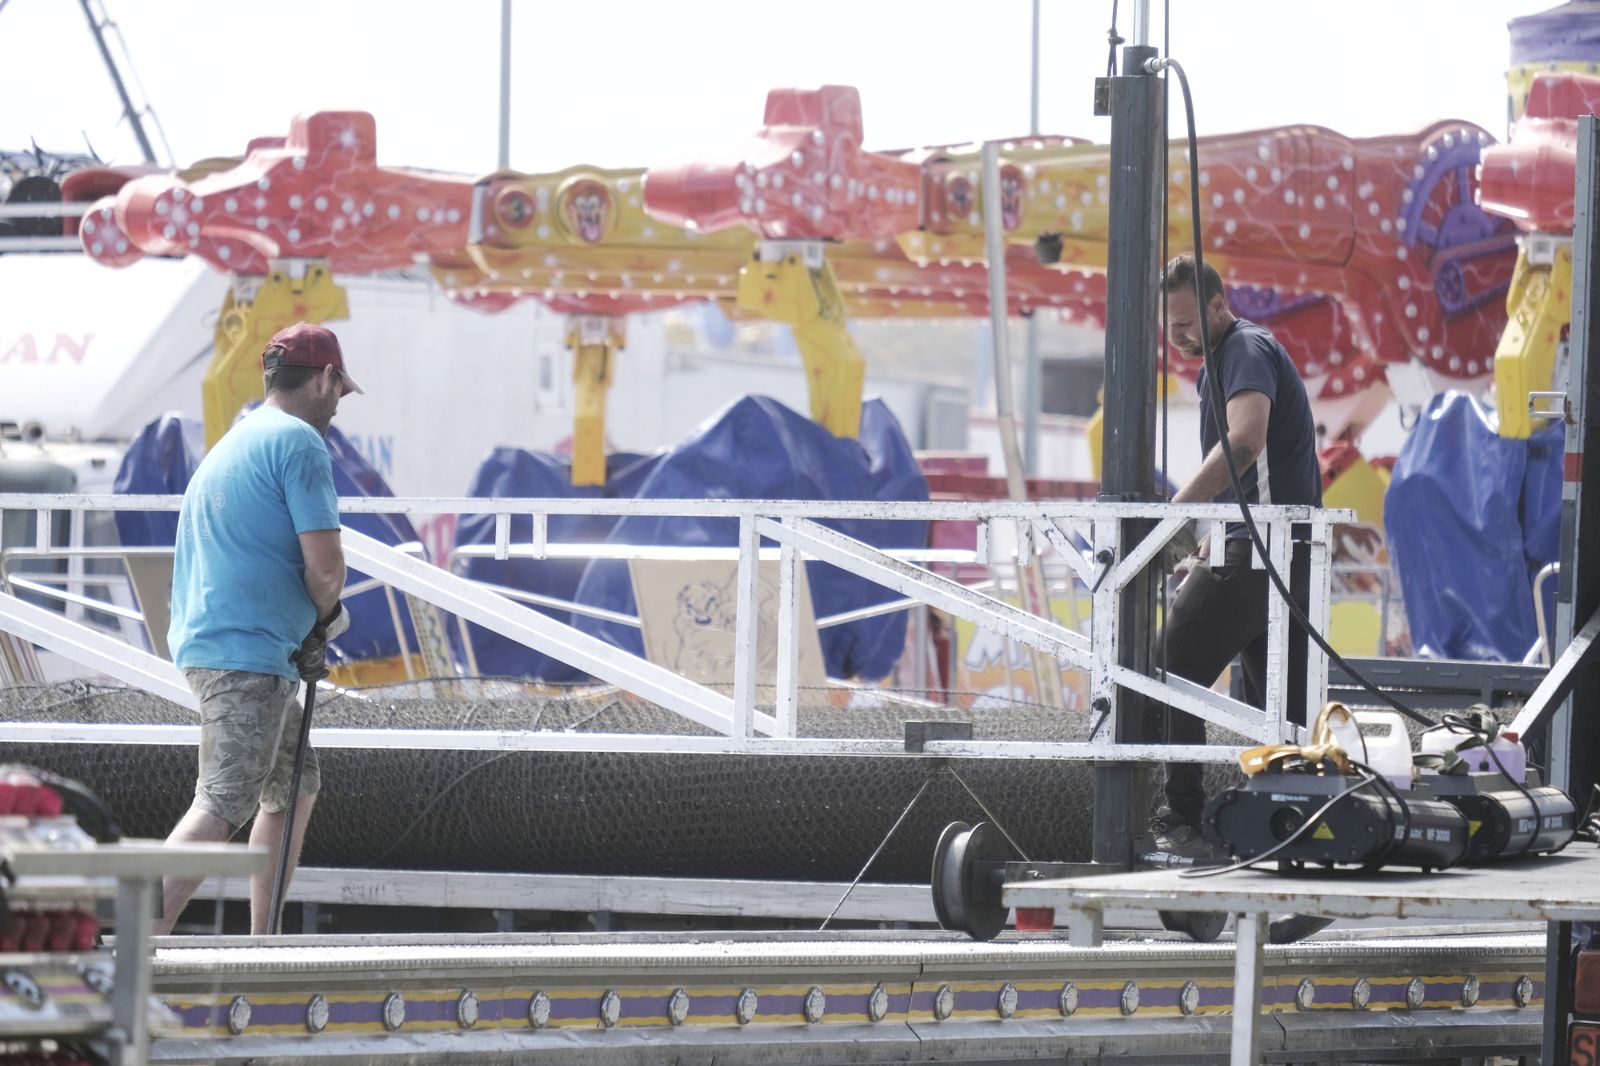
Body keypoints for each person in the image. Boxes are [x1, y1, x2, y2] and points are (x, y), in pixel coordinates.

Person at [156, 322, 361, 934]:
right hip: (245, 655)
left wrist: (301, 630)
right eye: (340, 390)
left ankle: (261, 942)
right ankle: (128, 950)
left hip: (221, 642)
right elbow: (325, 569)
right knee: (222, 801)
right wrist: (325, 621)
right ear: (325, 378)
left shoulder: (239, 438)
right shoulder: (299, 443)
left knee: (296, 783)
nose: (338, 405)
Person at [1146, 253, 1322, 860]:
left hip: (1263, 554)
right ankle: (1284, 837)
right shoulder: (1219, 364)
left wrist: (1174, 515)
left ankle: (1183, 819)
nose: (1181, 337)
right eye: (1171, 328)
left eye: (1190, 322)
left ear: (1220, 305)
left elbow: (1245, 443)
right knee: (1280, 715)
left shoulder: (1244, 351)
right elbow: (1250, 478)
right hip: (1282, 557)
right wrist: (1204, 538)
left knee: (1169, 663)